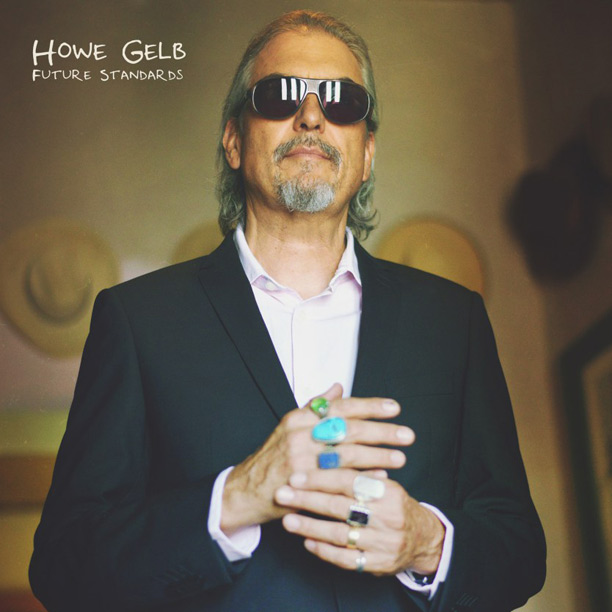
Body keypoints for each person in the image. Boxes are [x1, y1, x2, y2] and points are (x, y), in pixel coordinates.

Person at [30, 10, 546, 612]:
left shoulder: (453, 322)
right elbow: (62, 569)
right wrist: (236, 497)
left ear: (367, 153)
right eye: (280, 95)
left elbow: (520, 551)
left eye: (342, 101)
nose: (311, 115)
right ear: (233, 140)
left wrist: (426, 542)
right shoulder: (137, 321)